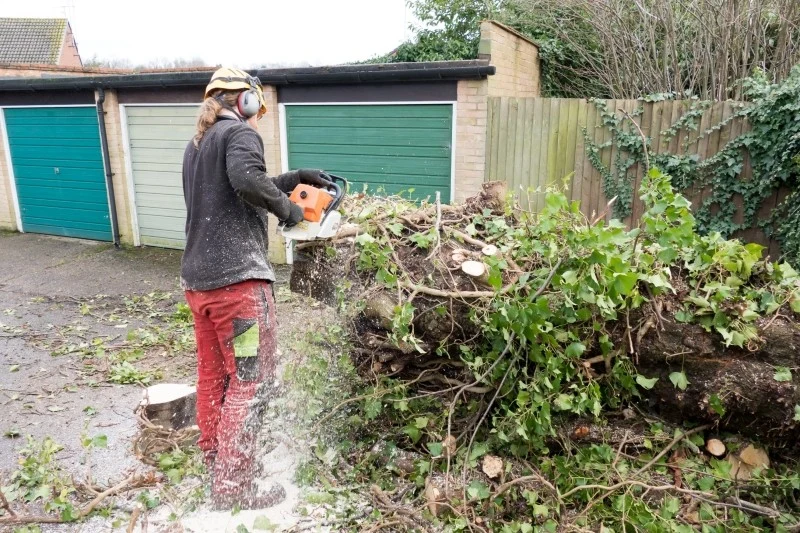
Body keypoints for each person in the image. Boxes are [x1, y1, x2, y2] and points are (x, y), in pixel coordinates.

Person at [181, 67, 328, 510]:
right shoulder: (240, 134)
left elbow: (240, 183)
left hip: (201, 287)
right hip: (237, 292)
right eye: (255, 107)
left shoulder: (198, 144)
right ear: (242, 99)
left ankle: (218, 465)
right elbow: (246, 180)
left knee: (215, 378)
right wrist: (290, 211)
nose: (256, 116)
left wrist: (294, 177)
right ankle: (235, 488)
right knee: (251, 382)